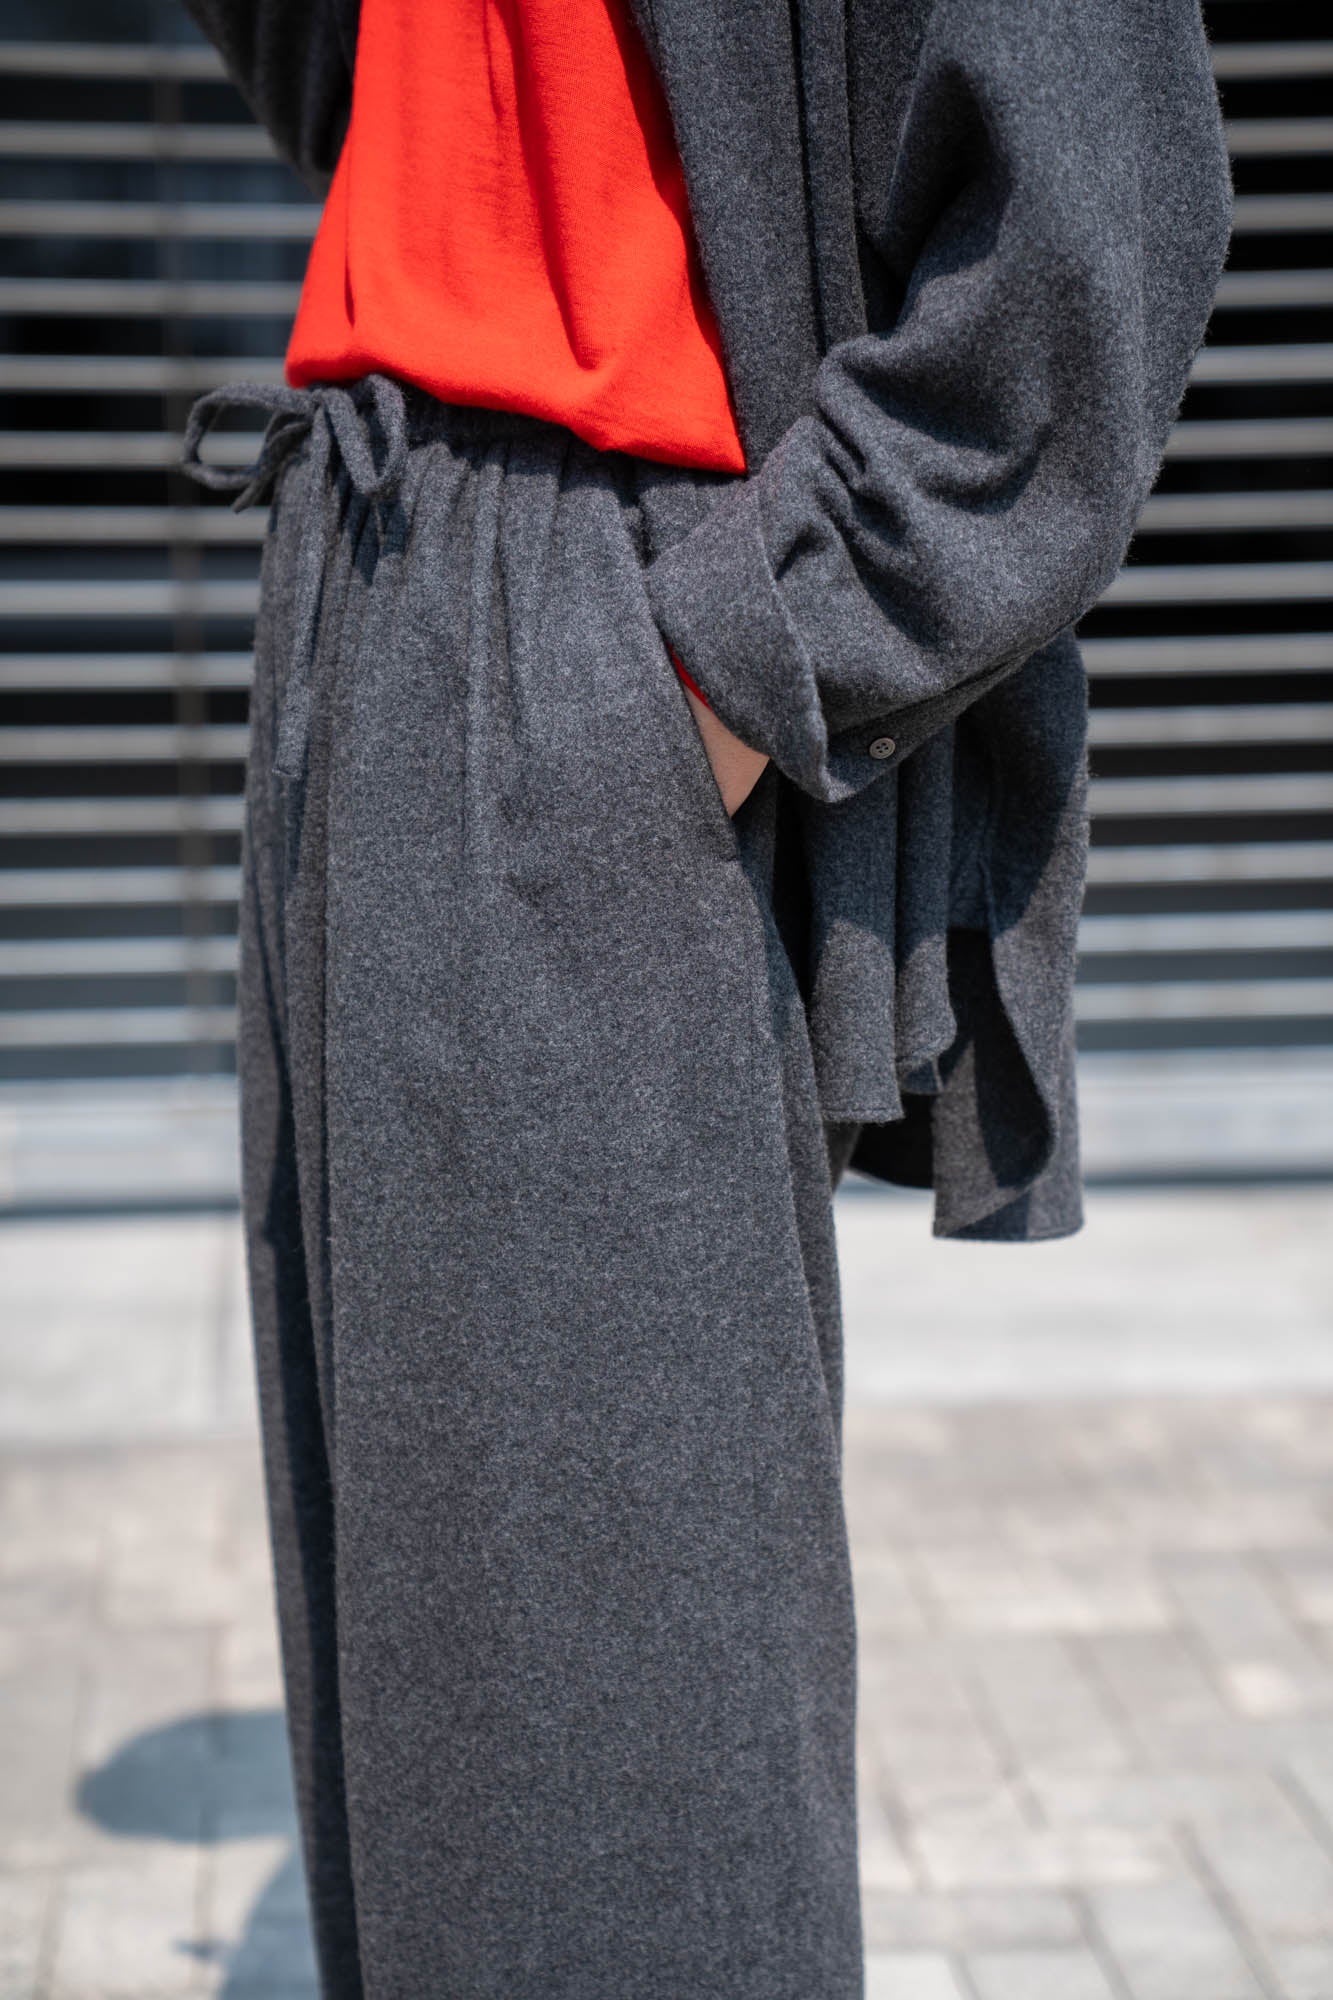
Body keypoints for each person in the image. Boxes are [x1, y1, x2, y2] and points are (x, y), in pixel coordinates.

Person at [178, 0, 1234, 1992]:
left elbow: (1087, 229)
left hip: (598, 617)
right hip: (370, 551)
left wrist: (736, 668)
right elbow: (332, 76)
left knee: (611, 1734)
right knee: (421, 1680)